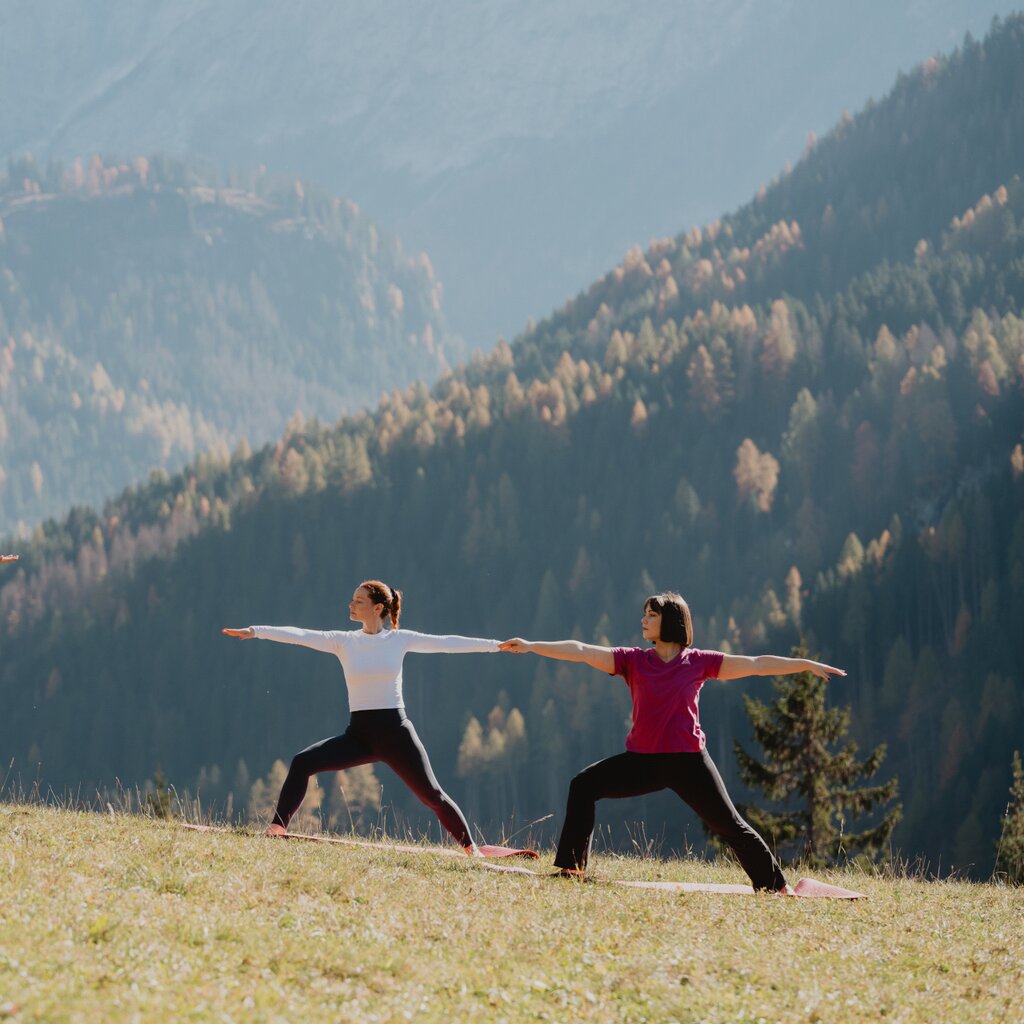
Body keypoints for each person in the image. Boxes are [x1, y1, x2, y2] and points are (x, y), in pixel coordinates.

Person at [499, 591, 845, 891]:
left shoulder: (699, 663)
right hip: (642, 761)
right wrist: (531, 646)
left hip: (688, 762)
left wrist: (804, 665)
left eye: (652, 614)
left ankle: (775, 887)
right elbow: (581, 650)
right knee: (583, 785)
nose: (643, 619)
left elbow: (755, 664)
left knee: (730, 825)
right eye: (644, 614)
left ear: (673, 621)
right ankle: (572, 869)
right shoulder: (632, 661)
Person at [224, 579, 500, 856]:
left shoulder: (399, 639)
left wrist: (496, 646)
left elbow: (447, 644)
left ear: (378, 607)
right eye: (352, 600)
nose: (351, 605)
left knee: (433, 796)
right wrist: (256, 631)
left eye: (359, 601)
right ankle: (276, 828)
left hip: (396, 732)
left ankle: (471, 850)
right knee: (302, 762)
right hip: (359, 736)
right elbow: (301, 635)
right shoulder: (344, 641)